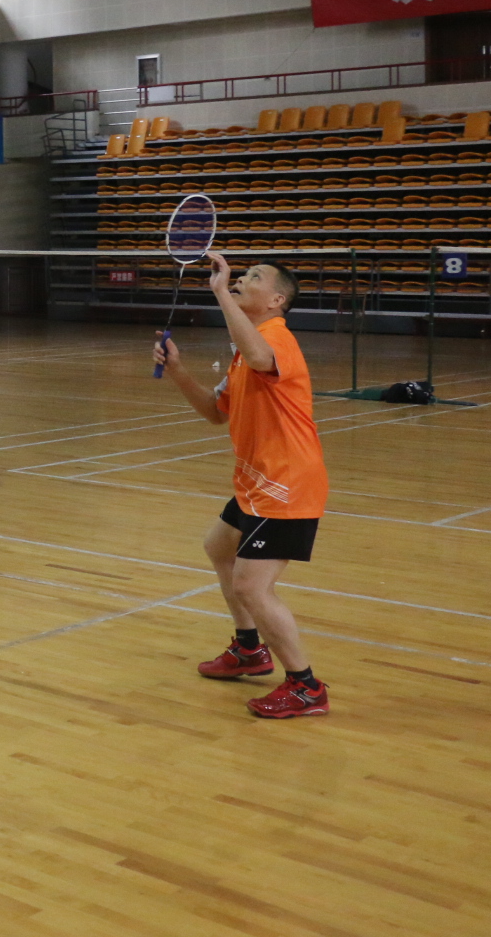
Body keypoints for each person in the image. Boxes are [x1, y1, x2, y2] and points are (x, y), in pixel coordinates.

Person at [155, 253, 330, 719]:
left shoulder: (276, 339)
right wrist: (177, 372)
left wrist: (217, 291)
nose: (241, 280)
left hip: (287, 484)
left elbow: (258, 355)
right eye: (242, 275)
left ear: (276, 301)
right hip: (257, 482)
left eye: (253, 277)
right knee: (219, 547)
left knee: (252, 586)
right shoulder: (243, 350)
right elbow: (217, 413)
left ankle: (305, 686)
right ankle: (249, 649)